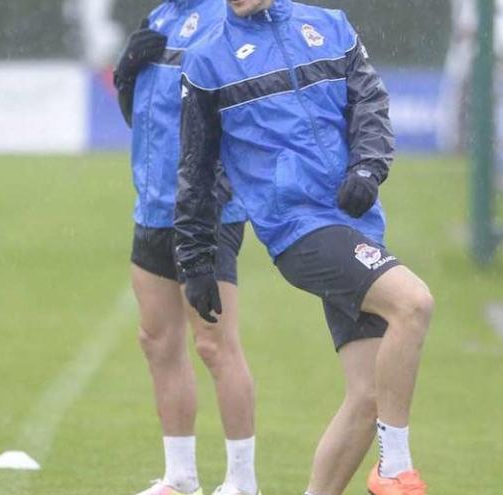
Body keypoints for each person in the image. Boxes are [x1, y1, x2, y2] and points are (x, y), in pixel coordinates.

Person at [175, 1, 434, 494]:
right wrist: (195, 261)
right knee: (413, 302)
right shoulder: (208, 60)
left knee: (368, 396)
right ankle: (396, 468)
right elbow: (196, 167)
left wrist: (366, 168)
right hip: (296, 228)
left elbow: (371, 105)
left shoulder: (329, 26)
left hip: (355, 223)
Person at [113, 1, 259, 494]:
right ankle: (181, 478)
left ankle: (242, 482)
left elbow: (241, 117)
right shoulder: (159, 17)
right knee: (157, 341)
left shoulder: (227, 17)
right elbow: (145, 122)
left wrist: (216, 198)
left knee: (215, 345)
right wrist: (126, 77)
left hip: (206, 210)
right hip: (152, 207)